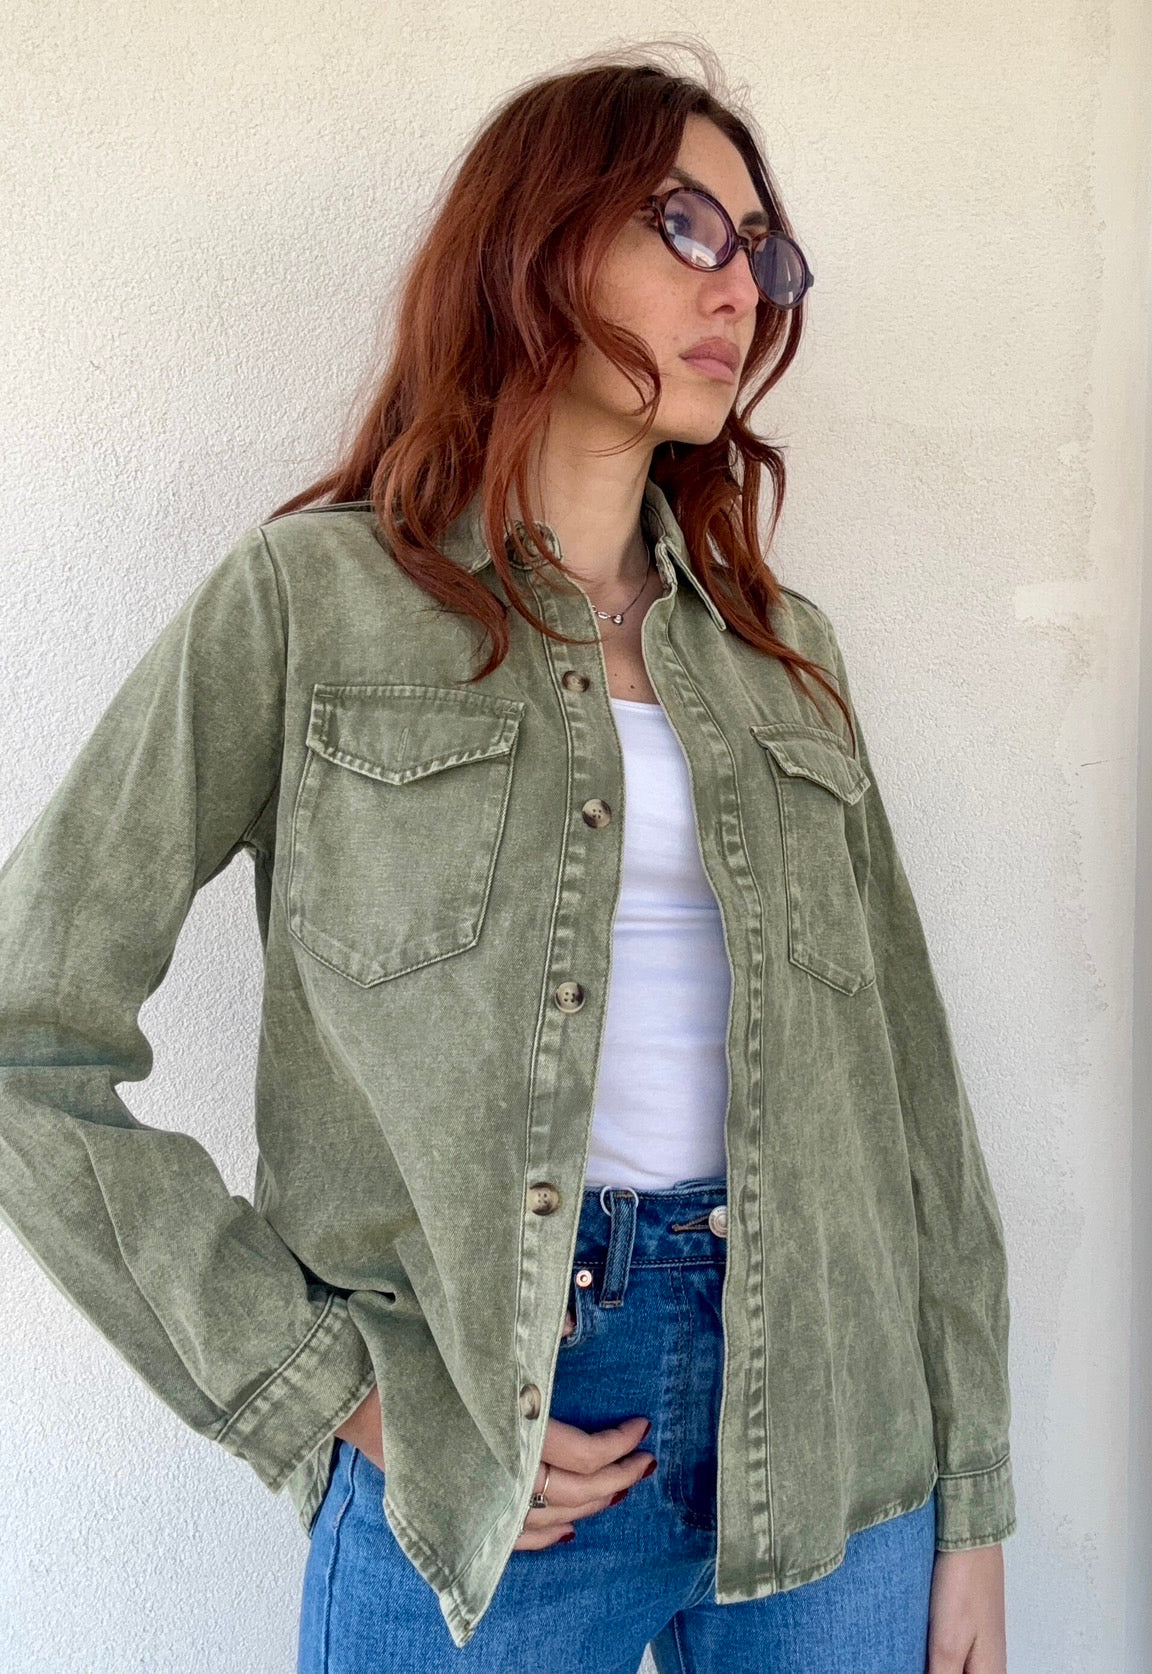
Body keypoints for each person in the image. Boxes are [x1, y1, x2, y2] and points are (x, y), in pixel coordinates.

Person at [0, 42, 1015, 1674]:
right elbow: (26, 1029)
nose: (738, 286)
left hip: (838, 1434)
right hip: (485, 1453)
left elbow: (913, 1104)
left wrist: (970, 1514)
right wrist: (331, 1390)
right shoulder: (310, 605)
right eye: (687, 227)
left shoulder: (785, 654)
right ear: (535, 243)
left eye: (762, 252)